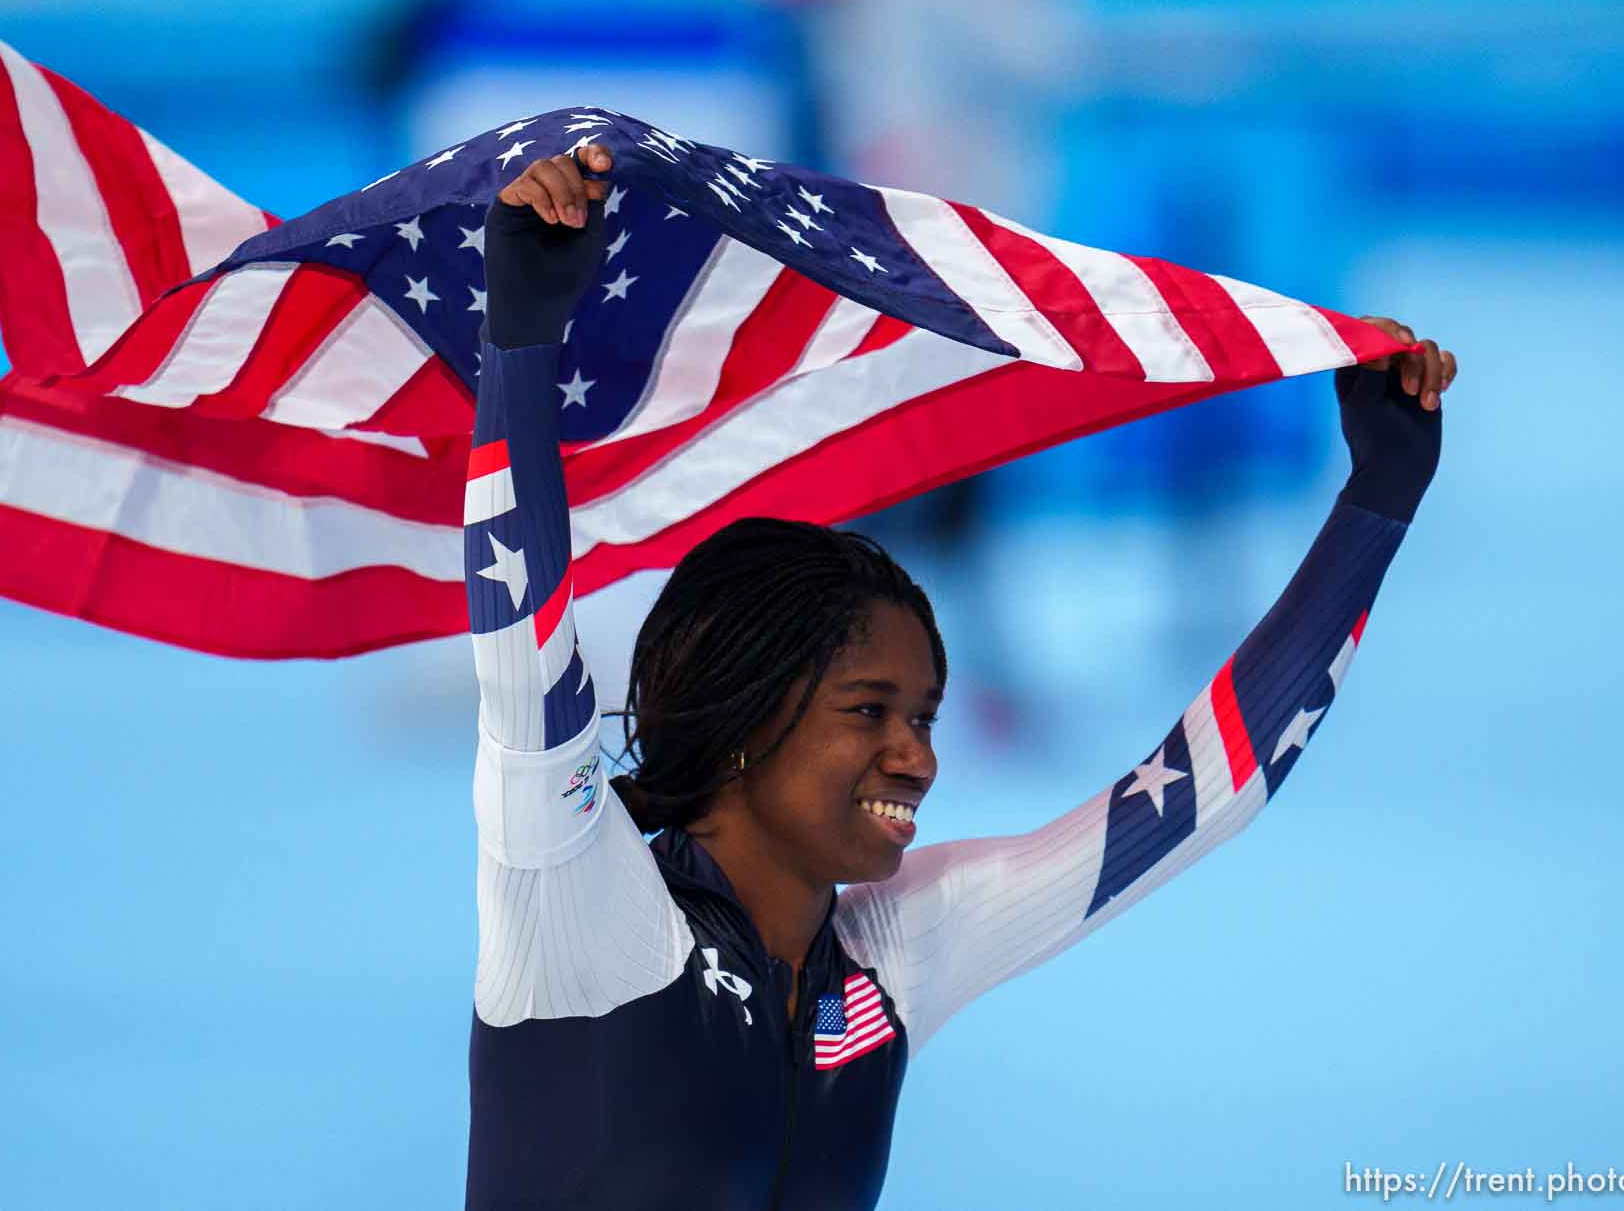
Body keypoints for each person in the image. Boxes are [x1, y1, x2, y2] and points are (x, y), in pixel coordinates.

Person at [462, 145, 1454, 1210]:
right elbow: (525, 650)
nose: (918, 755)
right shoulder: (583, 902)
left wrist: (1379, 500)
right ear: (750, 716)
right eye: (870, 711)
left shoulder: (891, 954)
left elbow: (1198, 793)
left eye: (923, 713)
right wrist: (520, 335)